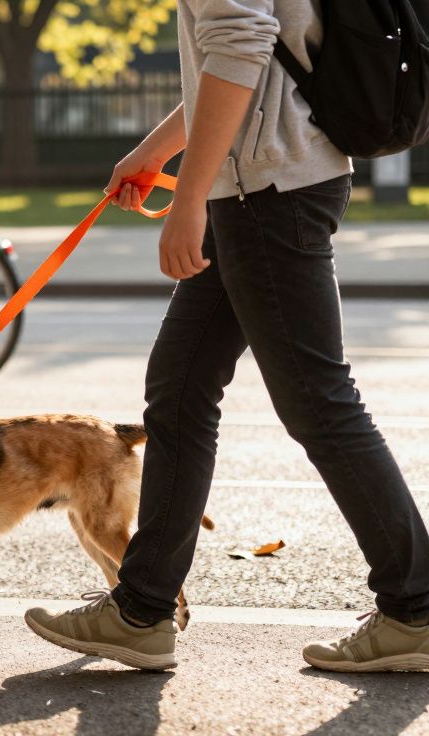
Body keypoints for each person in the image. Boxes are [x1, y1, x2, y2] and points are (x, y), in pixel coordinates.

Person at [24, 0, 429, 672]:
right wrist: (155, 153)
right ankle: (142, 611)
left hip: (267, 191)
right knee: (179, 391)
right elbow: (238, 61)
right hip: (260, 186)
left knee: (318, 402)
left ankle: (415, 608)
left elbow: (241, 48)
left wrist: (187, 201)